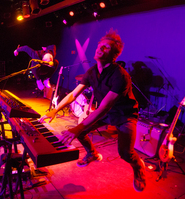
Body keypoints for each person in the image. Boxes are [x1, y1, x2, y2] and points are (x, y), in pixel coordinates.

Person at [39, 29, 146, 192]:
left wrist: (79, 126)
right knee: (80, 131)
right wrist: (54, 110)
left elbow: (104, 107)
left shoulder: (121, 75)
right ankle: (92, 154)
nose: (100, 49)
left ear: (114, 54)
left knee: (125, 153)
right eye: (100, 45)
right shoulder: (92, 72)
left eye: (106, 48)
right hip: (107, 113)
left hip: (125, 116)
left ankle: (139, 167)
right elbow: (73, 95)